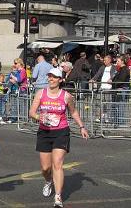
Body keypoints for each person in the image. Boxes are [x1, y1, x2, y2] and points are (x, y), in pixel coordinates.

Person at [29, 68, 89, 208]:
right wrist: (39, 117)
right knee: (45, 168)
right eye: (49, 76)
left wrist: (81, 127)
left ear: (60, 80)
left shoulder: (66, 96)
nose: (50, 79)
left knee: (58, 164)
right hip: (44, 132)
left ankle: (58, 197)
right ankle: (48, 181)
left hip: (61, 132)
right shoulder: (41, 93)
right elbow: (32, 112)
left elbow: (73, 112)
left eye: (54, 77)